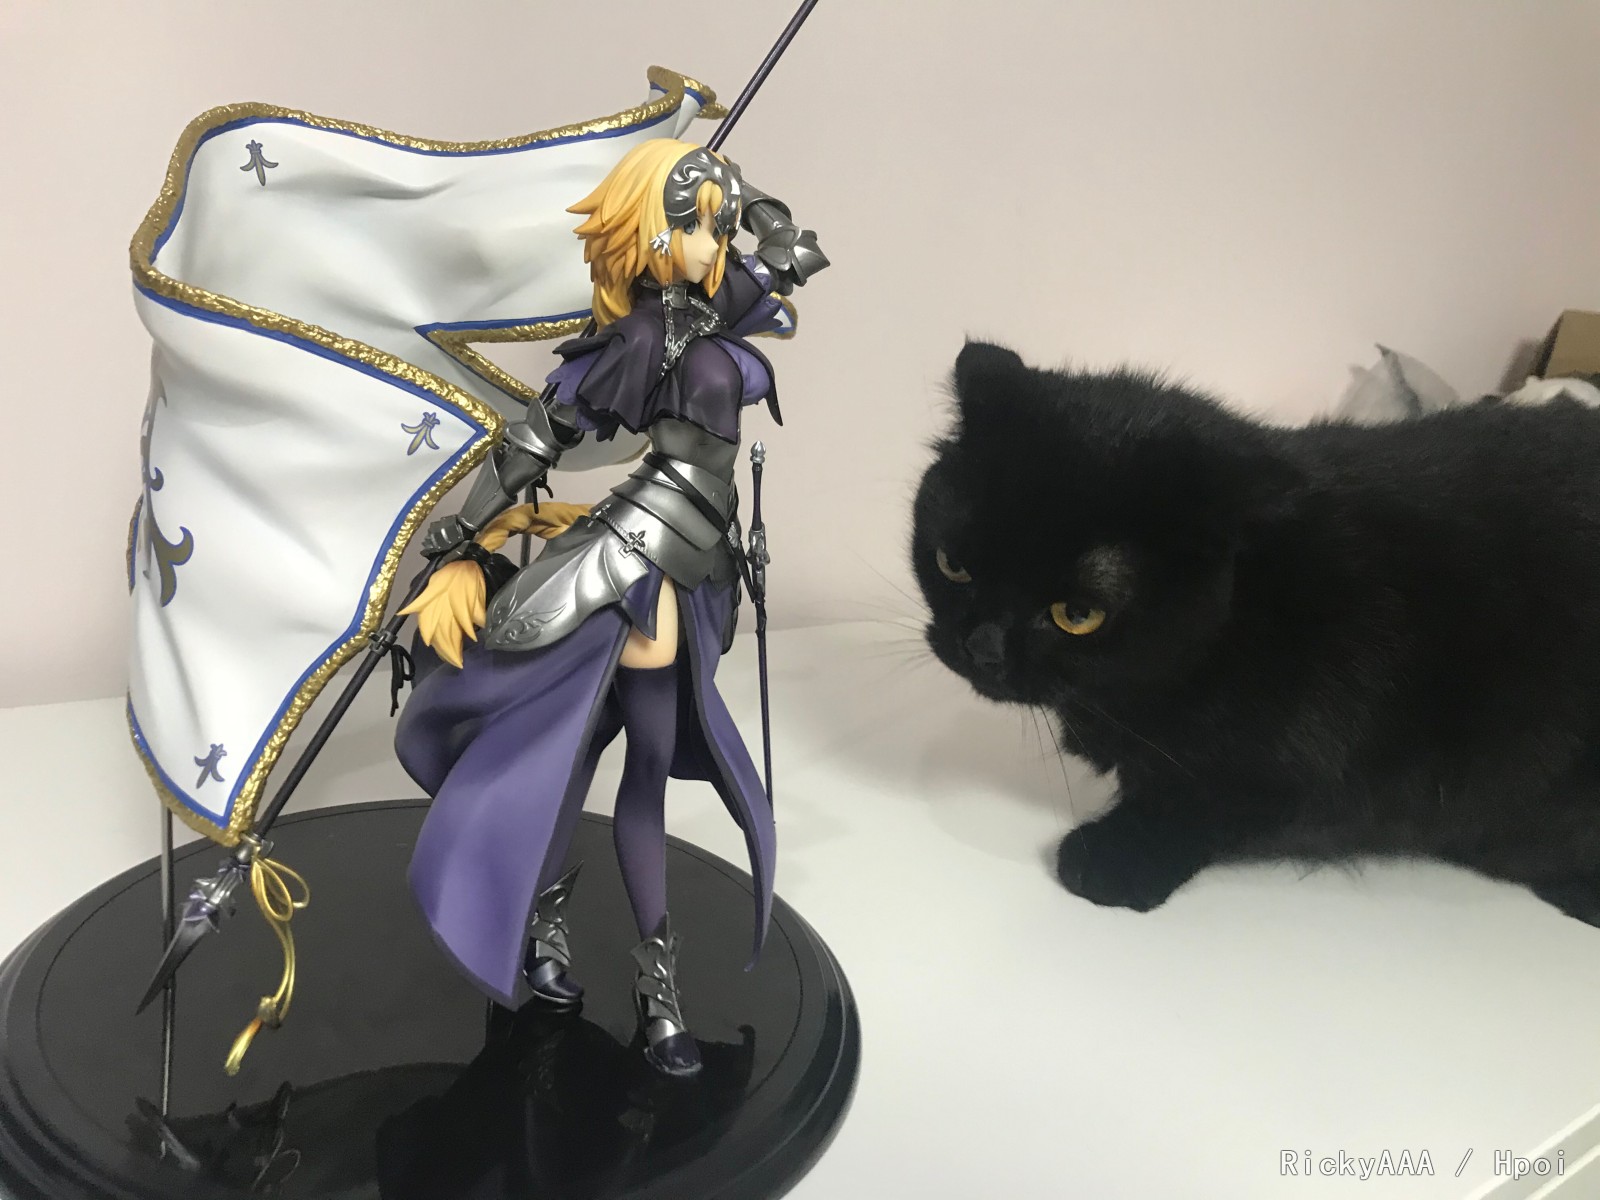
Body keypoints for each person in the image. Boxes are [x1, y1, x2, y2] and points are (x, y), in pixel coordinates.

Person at [393, 136, 826, 1076]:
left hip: (701, 560)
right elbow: (536, 438)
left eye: (718, 230)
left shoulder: (712, 302)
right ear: (652, 234)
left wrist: (729, 190)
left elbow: (796, 249)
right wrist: (465, 529)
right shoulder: (639, 339)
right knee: (624, 762)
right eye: (698, 227)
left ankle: (568, 938)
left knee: (605, 755)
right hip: (645, 560)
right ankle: (633, 974)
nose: (717, 246)